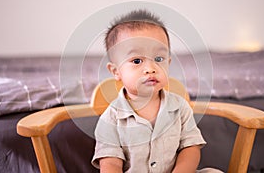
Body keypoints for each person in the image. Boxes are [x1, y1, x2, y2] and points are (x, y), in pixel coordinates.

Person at [91, 9, 221, 173]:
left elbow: (191, 149)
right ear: (116, 71)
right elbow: (110, 165)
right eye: (137, 60)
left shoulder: (179, 107)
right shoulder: (110, 119)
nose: (150, 68)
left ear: (169, 62)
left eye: (159, 59)